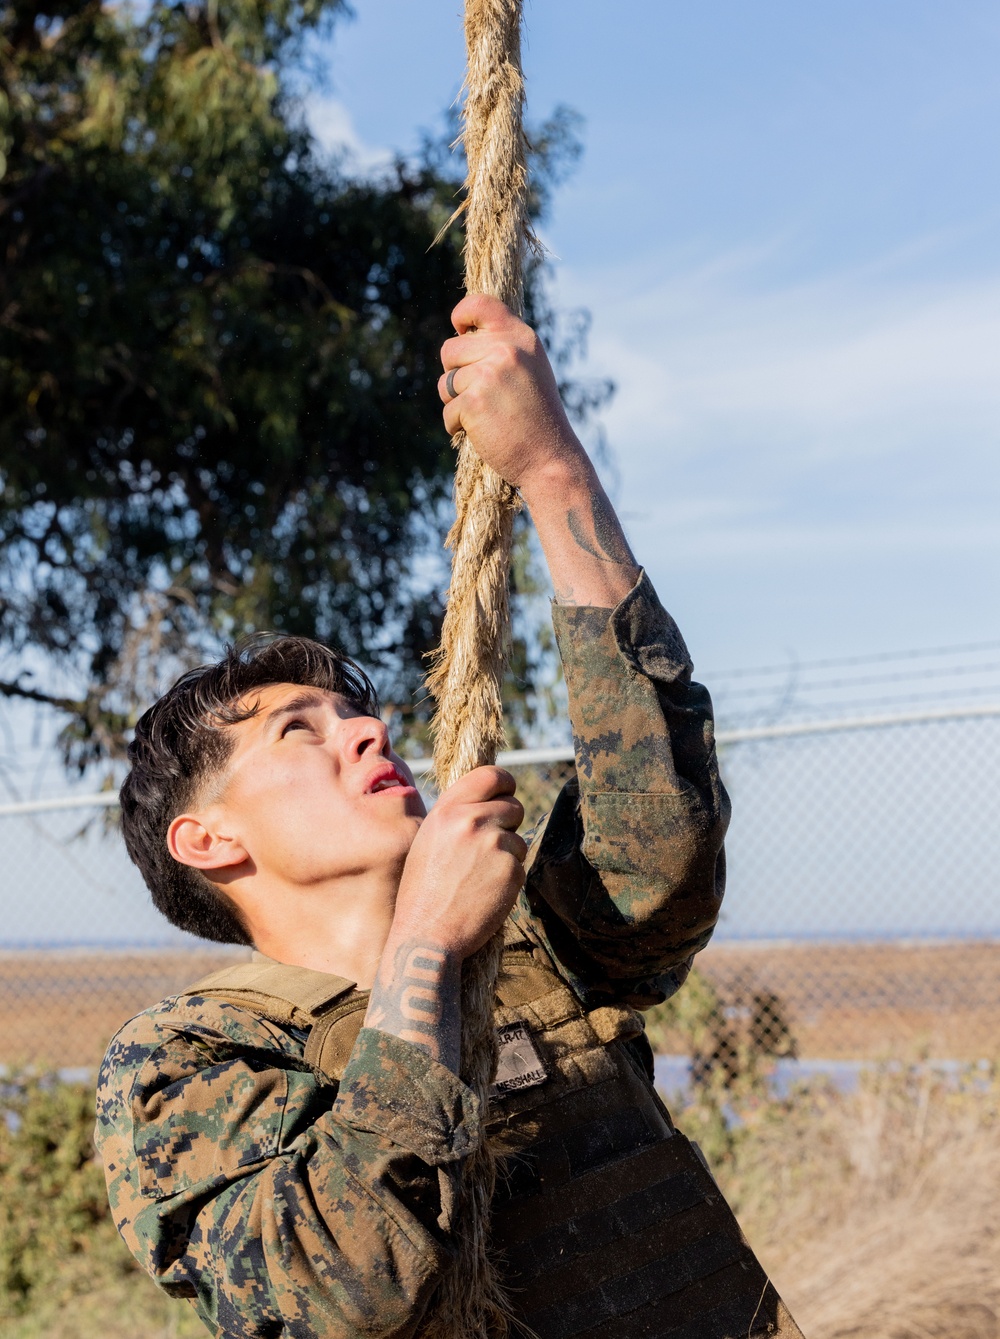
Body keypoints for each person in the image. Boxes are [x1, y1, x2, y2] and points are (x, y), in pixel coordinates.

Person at [97, 296, 801, 1339]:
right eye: (300, 730)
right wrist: (424, 941)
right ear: (206, 838)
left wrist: (554, 471)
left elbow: (660, 842)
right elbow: (337, 1290)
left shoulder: (534, 944)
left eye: (358, 712)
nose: (369, 734)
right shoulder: (185, 1061)